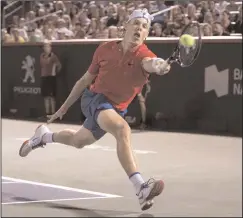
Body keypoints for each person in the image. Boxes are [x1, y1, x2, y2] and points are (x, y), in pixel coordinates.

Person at [19, 9, 171, 211]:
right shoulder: (104, 49)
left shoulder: (145, 55)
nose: (139, 29)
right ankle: (141, 187)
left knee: (78, 141)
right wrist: (63, 108)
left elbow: (150, 63)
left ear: (146, 35)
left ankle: (43, 137)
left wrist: (158, 64)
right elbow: (84, 80)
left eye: (145, 27)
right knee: (122, 130)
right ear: (126, 26)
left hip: (115, 109)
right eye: (136, 24)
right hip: (94, 99)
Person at [40, 40, 62, 117]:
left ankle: (52, 114)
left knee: (51, 97)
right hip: (44, 78)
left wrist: (54, 73)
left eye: (48, 46)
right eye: (45, 46)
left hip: (51, 78)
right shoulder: (41, 56)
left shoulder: (53, 56)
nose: (46, 48)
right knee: (46, 96)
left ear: (50, 47)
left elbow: (59, 66)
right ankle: (47, 114)